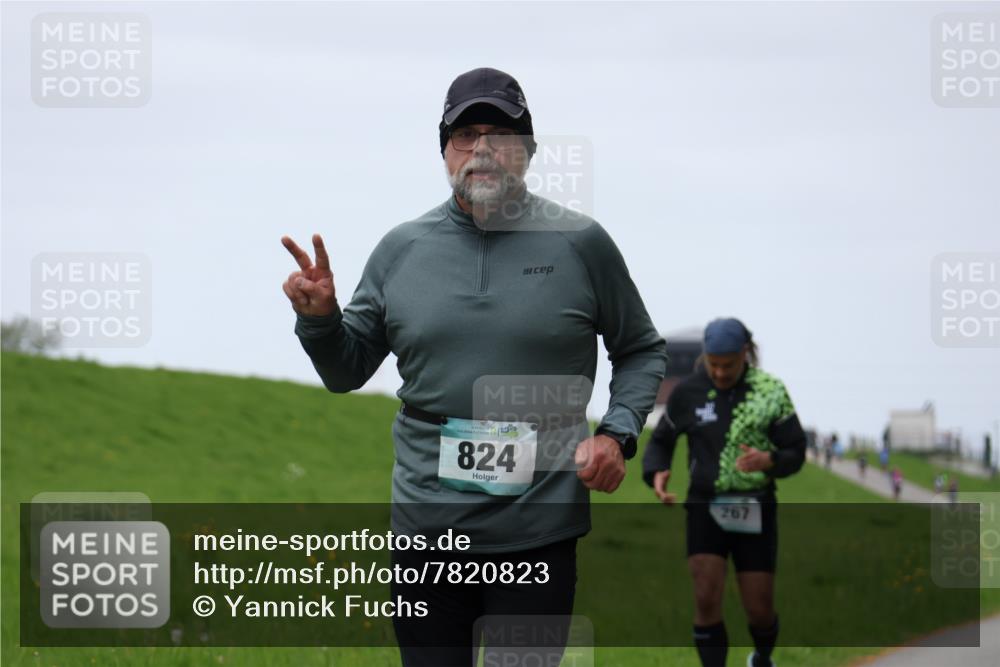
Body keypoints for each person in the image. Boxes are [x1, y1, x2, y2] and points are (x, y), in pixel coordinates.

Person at [281, 67, 667, 666]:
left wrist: (618, 433)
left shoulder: (581, 243)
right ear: (443, 152)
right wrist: (322, 320)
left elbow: (641, 348)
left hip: (538, 530)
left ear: (528, 151)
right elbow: (346, 370)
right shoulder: (401, 249)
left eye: (499, 133)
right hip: (426, 531)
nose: (481, 148)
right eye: (464, 134)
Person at [643, 318, 806, 667]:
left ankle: (762, 657)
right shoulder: (688, 392)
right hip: (705, 506)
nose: (719, 372)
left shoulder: (770, 392)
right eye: (713, 364)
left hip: (756, 507)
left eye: (728, 365)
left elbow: (797, 451)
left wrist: (770, 459)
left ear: (745, 354)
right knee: (705, 596)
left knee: (759, 608)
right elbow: (661, 440)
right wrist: (656, 471)